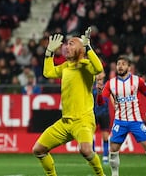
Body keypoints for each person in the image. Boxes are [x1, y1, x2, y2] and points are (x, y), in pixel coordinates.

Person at [32, 27, 106, 176]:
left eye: (72, 43)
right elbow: (48, 72)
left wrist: (88, 47)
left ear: (81, 49)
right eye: (67, 44)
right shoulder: (66, 66)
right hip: (65, 122)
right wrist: (49, 53)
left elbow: (98, 68)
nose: (66, 46)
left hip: (83, 120)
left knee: (85, 150)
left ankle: (101, 175)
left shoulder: (85, 65)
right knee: (38, 150)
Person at [100, 55, 146, 176]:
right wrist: (99, 93)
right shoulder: (111, 83)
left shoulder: (138, 81)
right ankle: (115, 174)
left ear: (129, 67)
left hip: (136, 120)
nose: (120, 66)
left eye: (123, 64)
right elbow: (101, 102)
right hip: (119, 121)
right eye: (118, 64)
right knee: (113, 149)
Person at [93, 72, 110, 164]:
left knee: (105, 136)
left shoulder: (107, 87)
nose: (100, 76)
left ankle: (105, 156)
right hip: (94, 113)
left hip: (104, 114)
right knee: (91, 134)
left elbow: (110, 98)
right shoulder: (92, 87)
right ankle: (92, 155)